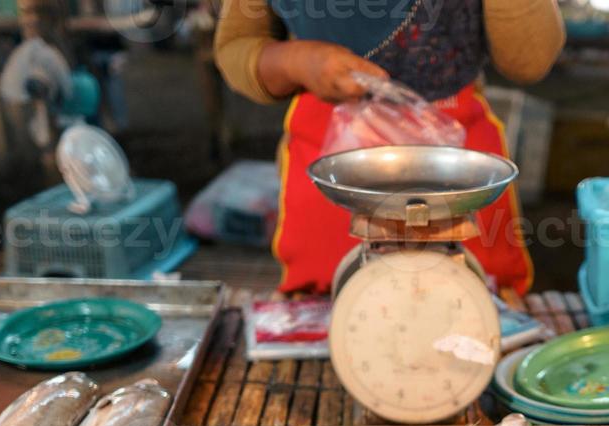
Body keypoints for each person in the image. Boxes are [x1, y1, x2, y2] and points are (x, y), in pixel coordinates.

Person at [214, 0, 564, 294]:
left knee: (472, 312)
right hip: (335, 154)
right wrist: (299, 61)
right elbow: (236, 46)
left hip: (456, 163)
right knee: (329, 312)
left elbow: (530, 60)